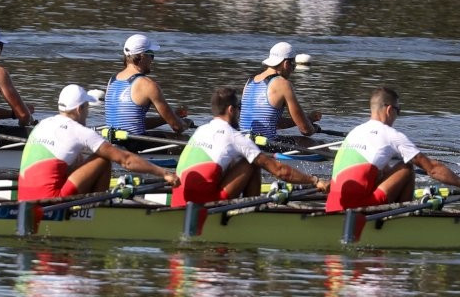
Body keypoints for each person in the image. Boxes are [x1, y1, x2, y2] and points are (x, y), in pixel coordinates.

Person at [325, 86, 460, 212]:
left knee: (384, 170)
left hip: (332, 204)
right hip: (357, 208)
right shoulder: (392, 135)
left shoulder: (355, 132)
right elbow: (432, 169)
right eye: (398, 111)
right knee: (406, 167)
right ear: (389, 110)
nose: (397, 116)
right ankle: (405, 214)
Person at [18, 84, 180, 201]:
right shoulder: (80, 131)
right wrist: (164, 173)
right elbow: (126, 160)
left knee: (78, 159)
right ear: (80, 109)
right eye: (87, 107)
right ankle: (98, 206)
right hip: (51, 199)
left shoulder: (42, 124)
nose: (87, 112)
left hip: (23, 196)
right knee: (104, 157)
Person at [172, 87, 329, 206]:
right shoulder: (235, 137)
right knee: (253, 162)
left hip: (178, 198)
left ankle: (246, 203)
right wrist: (314, 180)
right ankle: (250, 209)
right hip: (204, 205)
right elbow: (280, 171)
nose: (240, 111)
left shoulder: (201, 130)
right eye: (239, 107)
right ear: (231, 110)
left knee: (241, 159)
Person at [104, 33, 192, 137]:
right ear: (142, 56)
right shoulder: (148, 85)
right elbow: (177, 127)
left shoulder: (112, 81)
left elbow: (133, 122)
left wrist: (169, 117)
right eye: (151, 54)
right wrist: (185, 123)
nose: (152, 59)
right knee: (188, 141)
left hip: (111, 140)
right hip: (133, 144)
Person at [240, 41, 321, 140]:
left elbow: (273, 122)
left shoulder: (250, 81)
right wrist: (313, 128)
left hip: (243, 142)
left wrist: (308, 119)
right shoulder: (283, 84)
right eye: (293, 66)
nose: (293, 70)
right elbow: (305, 130)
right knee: (316, 144)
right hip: (266, 146)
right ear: (286, 64)